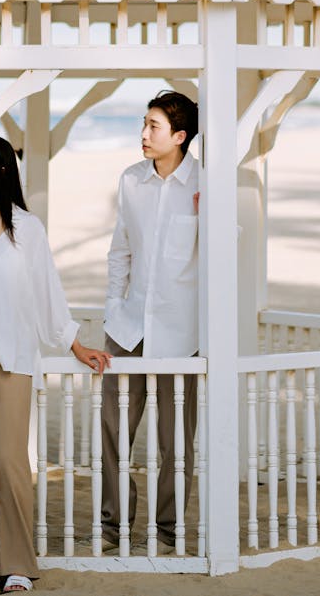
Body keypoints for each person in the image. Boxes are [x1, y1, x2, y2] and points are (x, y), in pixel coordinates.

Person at [0, 134, 110, 596]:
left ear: (1, 170)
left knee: (10, 461)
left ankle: (19, 565)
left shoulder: (28, 228)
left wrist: (74, 344)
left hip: (14, 357)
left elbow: (48, 293)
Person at [100, 90, 199, 551]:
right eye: (143, 123)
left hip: (181, 333)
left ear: (179, 136)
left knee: (175, 443)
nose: (143, 134)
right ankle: (114, 526)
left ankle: (167, 530)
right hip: (127, 329)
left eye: (153, 126)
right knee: (114, 431)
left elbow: (222, 253)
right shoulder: (130, 180)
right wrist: (110, 312)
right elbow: (120, 251)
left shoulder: (206, 186)